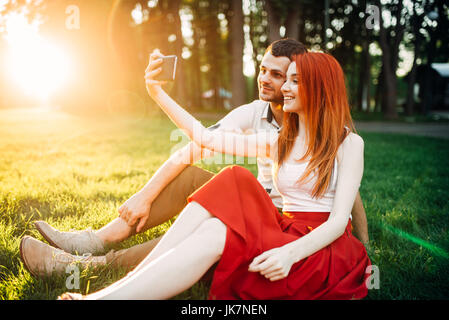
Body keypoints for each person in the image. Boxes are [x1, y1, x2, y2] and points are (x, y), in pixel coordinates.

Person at [19, 39, 369, 279]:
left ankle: (94, 267)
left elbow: (343, 190)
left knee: (213, 219)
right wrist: (144, 195)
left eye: (281, 76)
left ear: (302, 79)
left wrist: (361, 248)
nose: (266, 80)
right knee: (194, 178)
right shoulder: (252, 112)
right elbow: (198, 143)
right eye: (264, 70)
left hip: (281, 221)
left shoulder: (327, 130)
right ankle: (96, 240)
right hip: (256, 202)